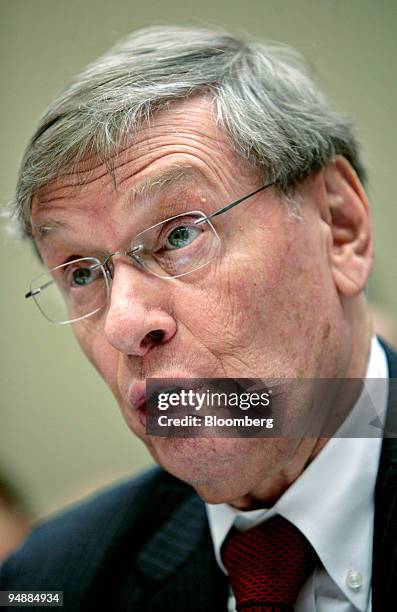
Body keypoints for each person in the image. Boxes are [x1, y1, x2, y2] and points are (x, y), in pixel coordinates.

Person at [0, 25, 396, 612]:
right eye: (82, 274)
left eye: (179, 235)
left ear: (339, 226)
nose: (125, 324)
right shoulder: (53, 578)